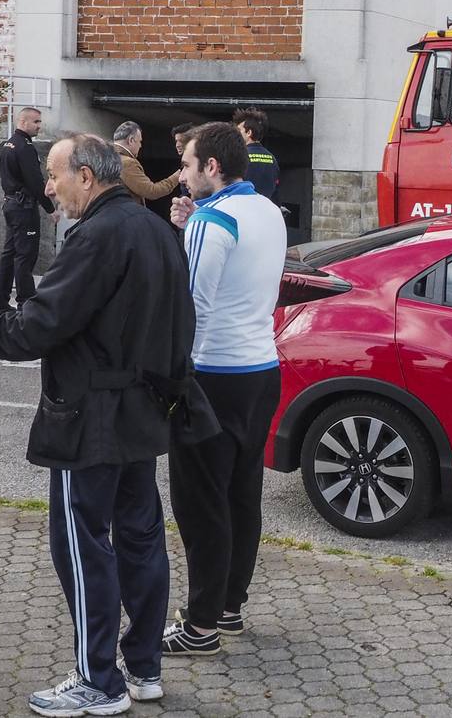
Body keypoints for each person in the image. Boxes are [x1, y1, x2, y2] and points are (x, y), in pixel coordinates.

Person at [0, 133, 196, 717]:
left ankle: (99, 678)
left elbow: (35, 328)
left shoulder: (95, 236)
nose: (49, 186)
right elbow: (182, 325)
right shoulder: (157, 231)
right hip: (142, 413)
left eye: (54, 175)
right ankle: (142, 667)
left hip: (90, 420)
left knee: (83, 543)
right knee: (141, 539)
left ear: (87, 179)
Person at [161, 121, 286, 657]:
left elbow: (190, 308)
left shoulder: (212, 221)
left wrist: (169, 378)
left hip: (213, 376)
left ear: (212, 166)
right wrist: (190, 229)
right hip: (261, 369)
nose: (182, 176)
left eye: (187, 166)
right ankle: (230, 607)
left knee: (200, 504)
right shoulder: (266, 211)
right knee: (242, 493)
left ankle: (200, 626)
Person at [0, 108, 55, 313]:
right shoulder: (25, 146)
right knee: (25, 256)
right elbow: (35, 181)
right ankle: (25, 302)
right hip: (24, 207)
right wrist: (50, 208)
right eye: (36, 121)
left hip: (11, 204)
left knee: (9, 254)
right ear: (23, 121)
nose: (39, 125)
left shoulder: (8, 144)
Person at [110, 120, 180, 206]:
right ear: (131, 140)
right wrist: (176, 177)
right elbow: (152, 191)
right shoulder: (127, 163)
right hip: (126, 214)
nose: (140, 146)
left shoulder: (107, 158)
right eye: (140, 141)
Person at [233, 108, 279, 204]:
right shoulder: (272, 159)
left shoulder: (239, 157)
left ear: (249, 133)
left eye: (239, 130)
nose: (236, 134)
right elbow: (275, 192)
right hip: (265, 211)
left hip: (242, 209)